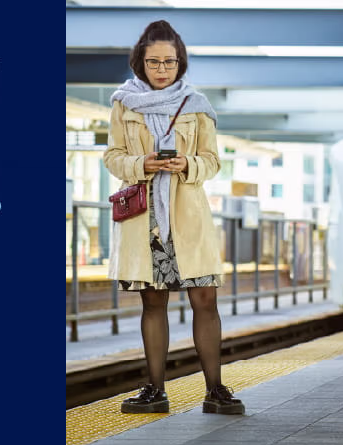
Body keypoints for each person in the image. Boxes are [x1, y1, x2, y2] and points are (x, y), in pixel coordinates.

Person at [103, 20, 244, 415]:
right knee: (153, 303)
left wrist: (187, 164)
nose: (162, 69)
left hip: (188, 217)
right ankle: (155, 390)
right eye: (154, 62)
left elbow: (212, 161)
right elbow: (112, 156)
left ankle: (215, 390)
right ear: (140, 62)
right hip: (144, 217)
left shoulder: (197, 105)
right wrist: (141, 164)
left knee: (205, 300)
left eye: (169, 61)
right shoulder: (123, 104)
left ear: (180, 62)